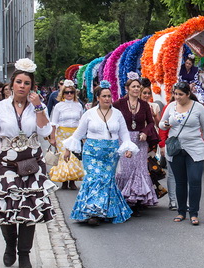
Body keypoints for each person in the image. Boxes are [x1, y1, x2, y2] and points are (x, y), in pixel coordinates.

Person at [0, 58, 57, 268]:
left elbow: (46, 133)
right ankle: (10, 246)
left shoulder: (37, 107)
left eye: (27, 83)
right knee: (6, 208)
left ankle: (24, 254)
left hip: (32, 164)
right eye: (19, 82)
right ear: (11, 85)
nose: (22, 86)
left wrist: (39, 107)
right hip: (7, 164)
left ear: (32, 86)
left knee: (28, 211)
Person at [63, 80, 138, 226]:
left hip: (111, 153)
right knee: (94, 179)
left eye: (109, 96)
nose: (107, 99)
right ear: (98, 97)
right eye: (104, 96)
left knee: (106, 180)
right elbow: (78, 133)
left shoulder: (117, 114)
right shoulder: (89, 113)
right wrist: (67, 150)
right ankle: (92, 212)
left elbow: (124, 134)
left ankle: (106, 210)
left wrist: (128, 148)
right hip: (92, 152)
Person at [159, 82, 204, 225]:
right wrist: (166, 125)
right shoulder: (170, 106)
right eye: (175, 94)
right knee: (180, 182)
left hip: (195, 148)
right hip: (176, 149)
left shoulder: (198, 108)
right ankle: (181, 212)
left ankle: (194, 213)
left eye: (180, 94)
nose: (177, 97)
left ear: (188, 94)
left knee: (194, 181)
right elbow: (161, 124)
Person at [113, 72, 160, 216]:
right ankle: (125, 200)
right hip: (125, 140)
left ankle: (138, 202)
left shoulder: (145, 105)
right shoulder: (119, 104)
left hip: (140, 141)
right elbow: (109, 114)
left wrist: (145, 131)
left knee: (139, 170)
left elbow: (151, 122)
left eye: (138, 87)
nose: (136, 89)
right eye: (133, 86)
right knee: (125, 171)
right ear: (127, 88)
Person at [49, 80, 85, 189]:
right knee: (63, 156)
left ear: (74, 93)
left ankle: (72, 180)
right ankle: (64, 181)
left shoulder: (79, 105)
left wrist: (83, 137)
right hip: (62, 134)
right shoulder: (59, 106)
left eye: (71, 92)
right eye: (66, 92)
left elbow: (82, 122)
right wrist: (52, 138)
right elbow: (54, 123)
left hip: (75, 134)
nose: (69, 94)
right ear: (62, 94)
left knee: (74, 157)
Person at [159, 97, 177, 211]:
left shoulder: (194, 106)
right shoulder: (169, 107)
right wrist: (162, 144)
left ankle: (185, 200)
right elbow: (162, 127)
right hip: (172, 144)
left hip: (189, 145)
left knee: (186, 175)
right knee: (172, 173)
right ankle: (173, 200)